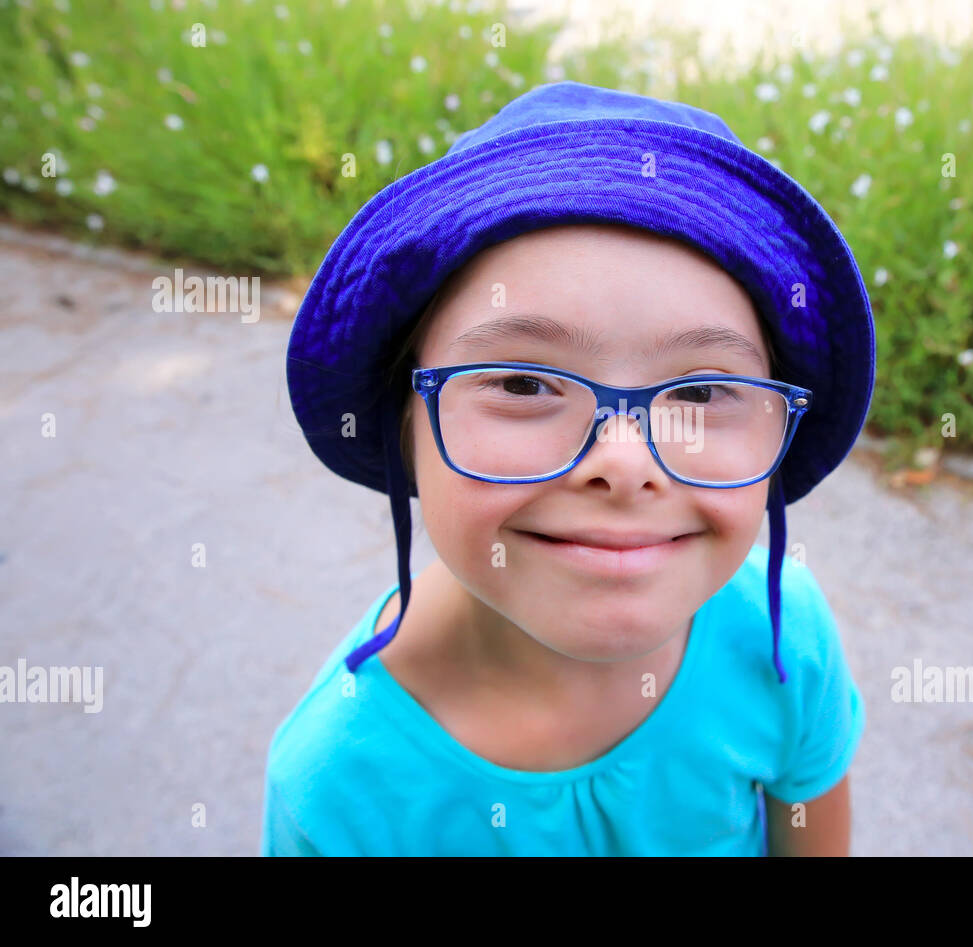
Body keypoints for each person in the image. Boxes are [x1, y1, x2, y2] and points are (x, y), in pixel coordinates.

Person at [263, 79, 875, 856]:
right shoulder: (339, 786)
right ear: (403, 418)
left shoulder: (783, 638)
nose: (622, 464)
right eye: (523, 383)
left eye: (698, 389)